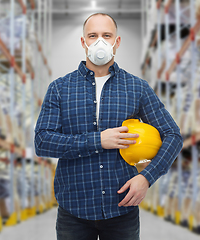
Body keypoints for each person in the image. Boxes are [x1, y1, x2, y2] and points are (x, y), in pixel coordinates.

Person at [34, 13, 183, 240]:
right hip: (73, 210)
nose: (100, 41)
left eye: (106, 35)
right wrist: (98, 140)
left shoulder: (137, 88)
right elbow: (43, 141)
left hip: (122, 208)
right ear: (83, 42)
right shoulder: (59, 88)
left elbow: (172, 135)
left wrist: (147, 178)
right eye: (93, 36)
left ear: (117, 41)